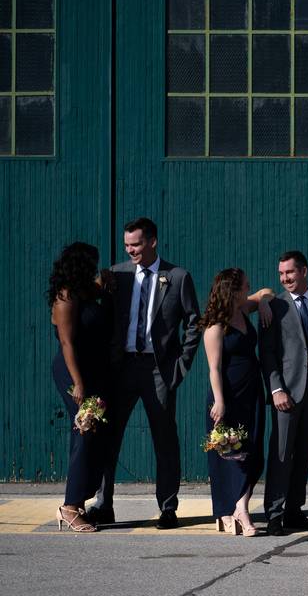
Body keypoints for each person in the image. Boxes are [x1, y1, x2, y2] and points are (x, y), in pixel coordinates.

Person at [88, 218, 201, 529]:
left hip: (159, 369)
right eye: (127, 245)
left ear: (152, 241)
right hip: (122, 367)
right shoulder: (116, 274)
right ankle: (103, 502)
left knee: (165, 439)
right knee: (109, 436)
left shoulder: (177, 277)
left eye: (136, 244)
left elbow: (194, 321)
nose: (130, 250)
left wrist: (181, 364)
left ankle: (167, 507)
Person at [260, 250, 308, 536]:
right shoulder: (274, 306)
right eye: (281, 274)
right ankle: (274, 514)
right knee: (281, 454)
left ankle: (294, 510)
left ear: (304, 271)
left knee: (304, 454)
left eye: (290, 273)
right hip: (286, 393)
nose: (285, 278)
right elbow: (267, 353)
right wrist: (276, 388)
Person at [198, 268, 272, 537]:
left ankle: (238, 507)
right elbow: (213, 369)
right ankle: (232, 511)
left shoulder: (243, 309)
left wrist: (263, 301)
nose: (249, 288)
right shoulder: (215, 326)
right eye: (245, 286)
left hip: (251, 392)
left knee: (252, 454)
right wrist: (219, 401)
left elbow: (267, 292)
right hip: (227, 397)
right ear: (234, 291)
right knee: (228, 455)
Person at [49, 242, 111, 533]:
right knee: (84, 432)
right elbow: (67, 343)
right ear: (81, 264)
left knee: (93, 435)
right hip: (73, 371)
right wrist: (79, 383)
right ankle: (70, 506)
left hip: (93, 371)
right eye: (92, 263)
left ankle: (78, 502)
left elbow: (101, 286)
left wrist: (106, 280)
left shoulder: (85, 289)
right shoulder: (65, 296)